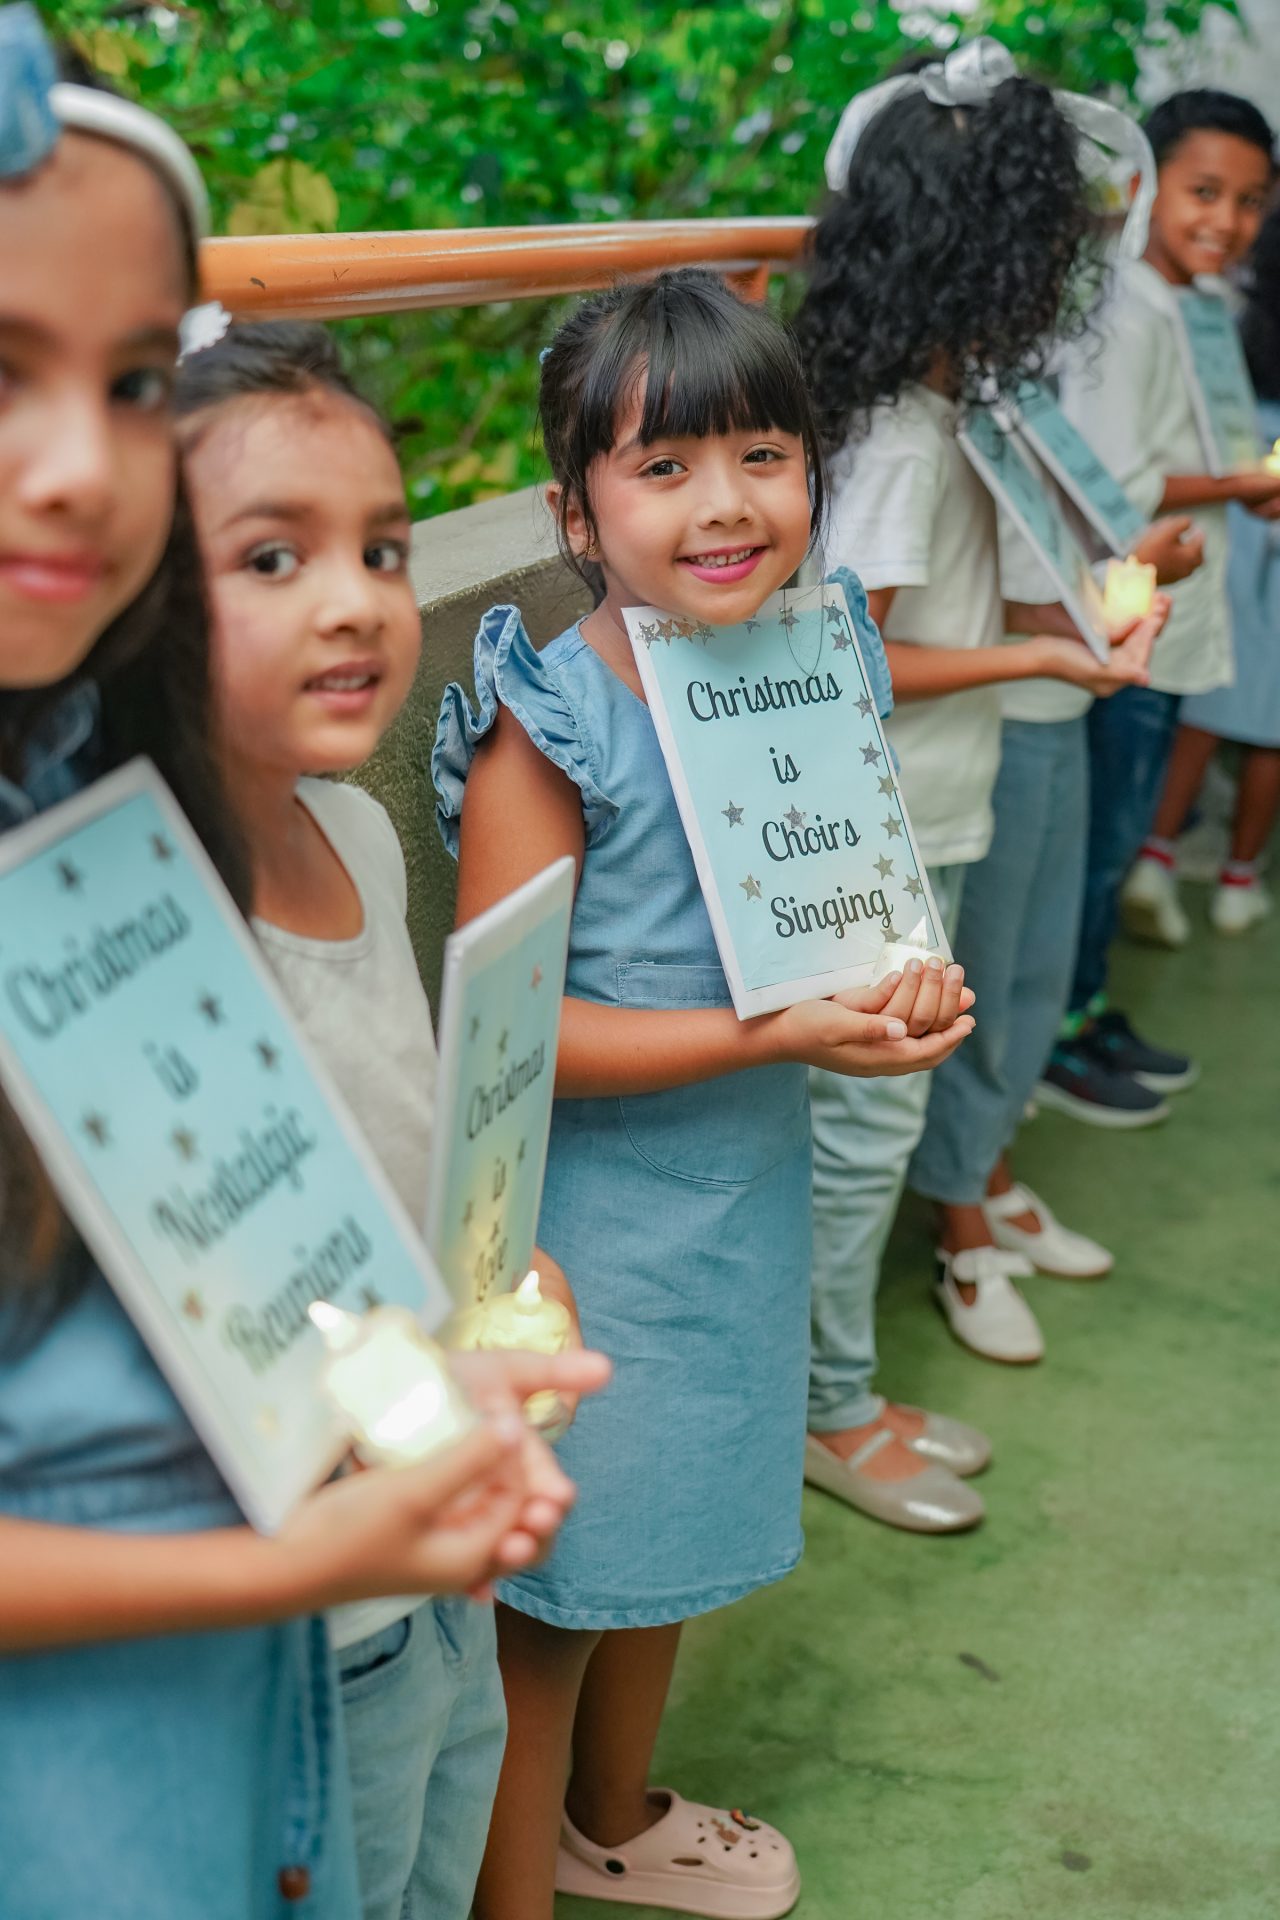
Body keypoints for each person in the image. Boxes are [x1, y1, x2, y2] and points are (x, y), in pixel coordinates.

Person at [0, 24, 599, 1917]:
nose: (83, 473)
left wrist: (468, 1318)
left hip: (303, 1662)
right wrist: (311, 1560)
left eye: (119, 381)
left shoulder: (118, 829)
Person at [435, 267, 974, 1920]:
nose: (726, 504)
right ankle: (515, 1887)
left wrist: (904, 992)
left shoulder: (816, 660)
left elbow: (851, 911)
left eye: (762, 455)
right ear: (574, 511)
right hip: (590, 1246)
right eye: (662, 467)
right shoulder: (562, 721)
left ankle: (621, 1816)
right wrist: (783, 1034)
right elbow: (511, 1046)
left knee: (673, 1544)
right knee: (558, 1604)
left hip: (742, 1207)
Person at [174, 318, 607, 1920]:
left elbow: (409, 1141)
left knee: (437, 1850)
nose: (357, 597)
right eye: (272, 556)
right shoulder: (152, 936)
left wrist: (508, 1269)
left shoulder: (356, 831)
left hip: (440, 1548)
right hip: (305, 1607)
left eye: (380, 547)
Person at [794, 41, 1165, 1446]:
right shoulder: (900, 434)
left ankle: (835, 1392)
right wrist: (1041, 654)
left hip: (926, 811)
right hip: (894, 819)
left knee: (867, 1131)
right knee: (861, 1138)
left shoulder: (930, 406)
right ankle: (832, 1412)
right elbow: (849, 661)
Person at [1043, 87, 1277, 1122]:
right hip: (1123, 610)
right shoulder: (1118, 310)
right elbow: (1105, 482)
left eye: (1249, 201)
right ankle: (1061, 1028)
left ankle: (1085, 1009)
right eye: (1202, 192)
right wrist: (1234, 486)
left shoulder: (1192, 304)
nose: (1223, 221)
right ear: (1141, 186)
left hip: (1169, 602)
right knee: (1098, 838)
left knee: (1117, 824)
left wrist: (1237, 482)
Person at [1128, 200, 1280, 938]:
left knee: (1204, 705)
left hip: (1236, 493)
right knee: (1268, 717)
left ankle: (1155, 856)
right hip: (1244, 498)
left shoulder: (1229, 303)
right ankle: (1238, 878)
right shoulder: (1187, 302)